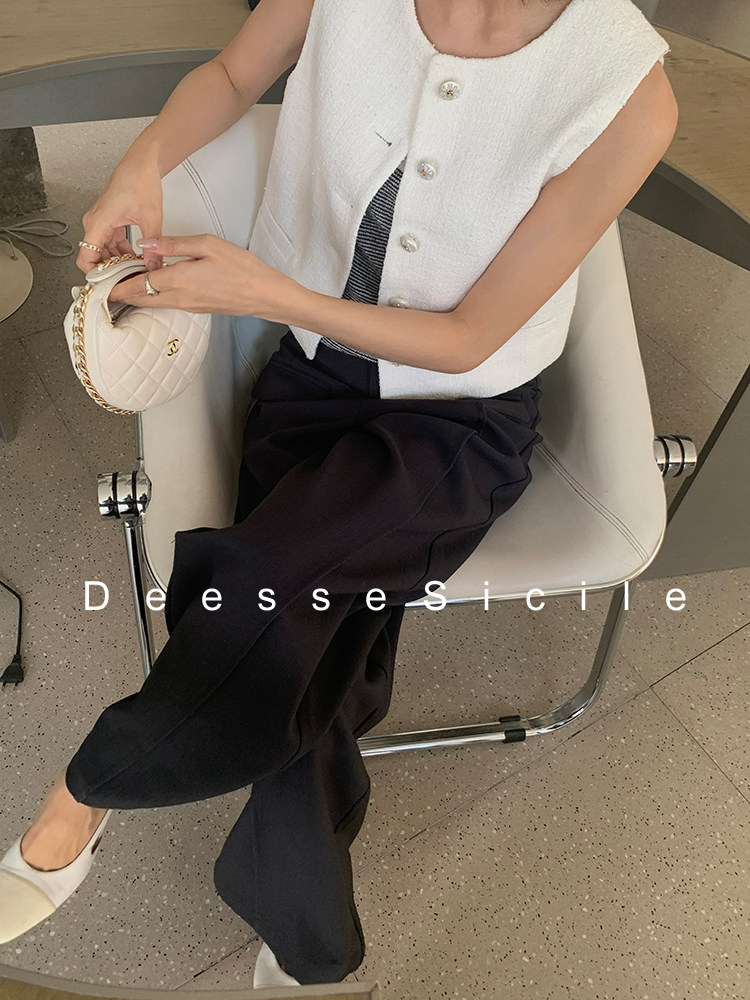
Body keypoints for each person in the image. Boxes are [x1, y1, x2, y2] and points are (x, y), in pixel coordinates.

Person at [0, 0, 678, 987]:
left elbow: (469, 340)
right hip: (311, 383)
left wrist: (264, 293)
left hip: (461, 422)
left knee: (261, 582)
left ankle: (86, 788)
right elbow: (233, 76)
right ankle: (308, 941)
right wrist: (141, 163)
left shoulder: (629, 93)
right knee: (312, 672)